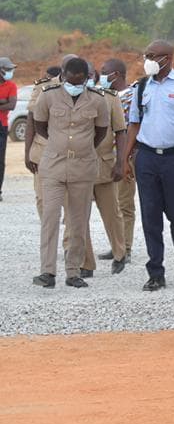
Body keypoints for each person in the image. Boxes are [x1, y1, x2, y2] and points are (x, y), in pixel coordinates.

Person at [122, 40, 174, 291]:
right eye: (145, 55)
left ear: (167, 58)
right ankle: (155, 272)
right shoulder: (141, 87)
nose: (147, 60)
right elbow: (133, 124)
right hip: (146, 157)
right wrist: (124, 158)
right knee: (150, 215)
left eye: (152, 56)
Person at [31, 58, 110, 288]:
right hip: (54, 166)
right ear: (63, 75)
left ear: (86, 78)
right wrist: (59, 144)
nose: (75, 83)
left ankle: (73, 271)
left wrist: (82, 149)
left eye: (80, 80)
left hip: (83, 168)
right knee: (50, 218)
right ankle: (47, 272)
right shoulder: (48, 94)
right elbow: (39, 125)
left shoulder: (97, 99)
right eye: (71, 79)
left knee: (78, 221)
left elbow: (101, 131)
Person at [72, 64, 129, 277]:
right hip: (76, 167)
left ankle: (120, 253)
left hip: (103, 165)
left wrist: (120, 163)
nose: (83, 79)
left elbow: (121, 132)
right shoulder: (64, 98)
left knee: (111, 213)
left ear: (93, 76)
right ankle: (87, 263)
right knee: (79, 217)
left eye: (87, 75)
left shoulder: (109, 98)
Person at [25, 54, 77, 218]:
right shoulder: (43, 87)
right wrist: (27, 154)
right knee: (43, 199)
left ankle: (70, 241)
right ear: (62, 69)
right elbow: (31, 121)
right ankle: (49, 237)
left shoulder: (85, 89)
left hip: (73, 154)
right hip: (44, 152)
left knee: (73, 203)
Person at [96, 58, 136, 263]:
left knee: (125, 203)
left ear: (116, 74)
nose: (101, 75)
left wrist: (126, 158)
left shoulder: (132, 96)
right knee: (113, 205)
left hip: (126, 156)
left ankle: (125, 248)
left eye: (104, 72)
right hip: (109, 157)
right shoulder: (105, 95)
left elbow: (130, 129)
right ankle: (117, 245)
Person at [0, 56, 17, 201]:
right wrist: (2, 101)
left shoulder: (11, 85)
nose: (10, 72)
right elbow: (7, 103)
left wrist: (5, 102)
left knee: (0, 160)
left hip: (2, 126)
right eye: (7, 69)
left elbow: (11, 105)